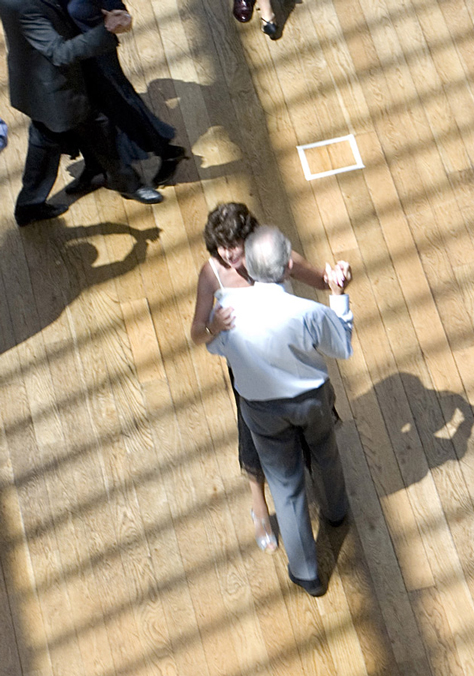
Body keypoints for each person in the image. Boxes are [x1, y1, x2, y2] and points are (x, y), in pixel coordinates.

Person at [190, 203, 349, 555]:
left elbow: (321, 281)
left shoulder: (276, 256)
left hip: (289, 358)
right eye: (220, 246)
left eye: (234, 244)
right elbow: (197, 334)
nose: (228, 253)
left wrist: (336, 278)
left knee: (304, 441)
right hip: (249, 366)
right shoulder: (212, 274)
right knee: (252, 438)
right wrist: (213, 327)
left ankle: (322, 502)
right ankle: (259, 503)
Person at [0, 0, 162, 227]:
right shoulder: (25, 7)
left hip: (39, 87)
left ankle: (31, 205)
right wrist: (105, 30)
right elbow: (59, 53)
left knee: (46, 141)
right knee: (99, 128)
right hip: (54, 91)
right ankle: (128, 184)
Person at [64, 0, 187, 190]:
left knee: (120, 103)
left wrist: (121, 16)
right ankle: (95, 165)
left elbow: (120, 14)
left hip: (97, 55)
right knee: (89, 112)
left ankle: (166, 151)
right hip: (72, 54)